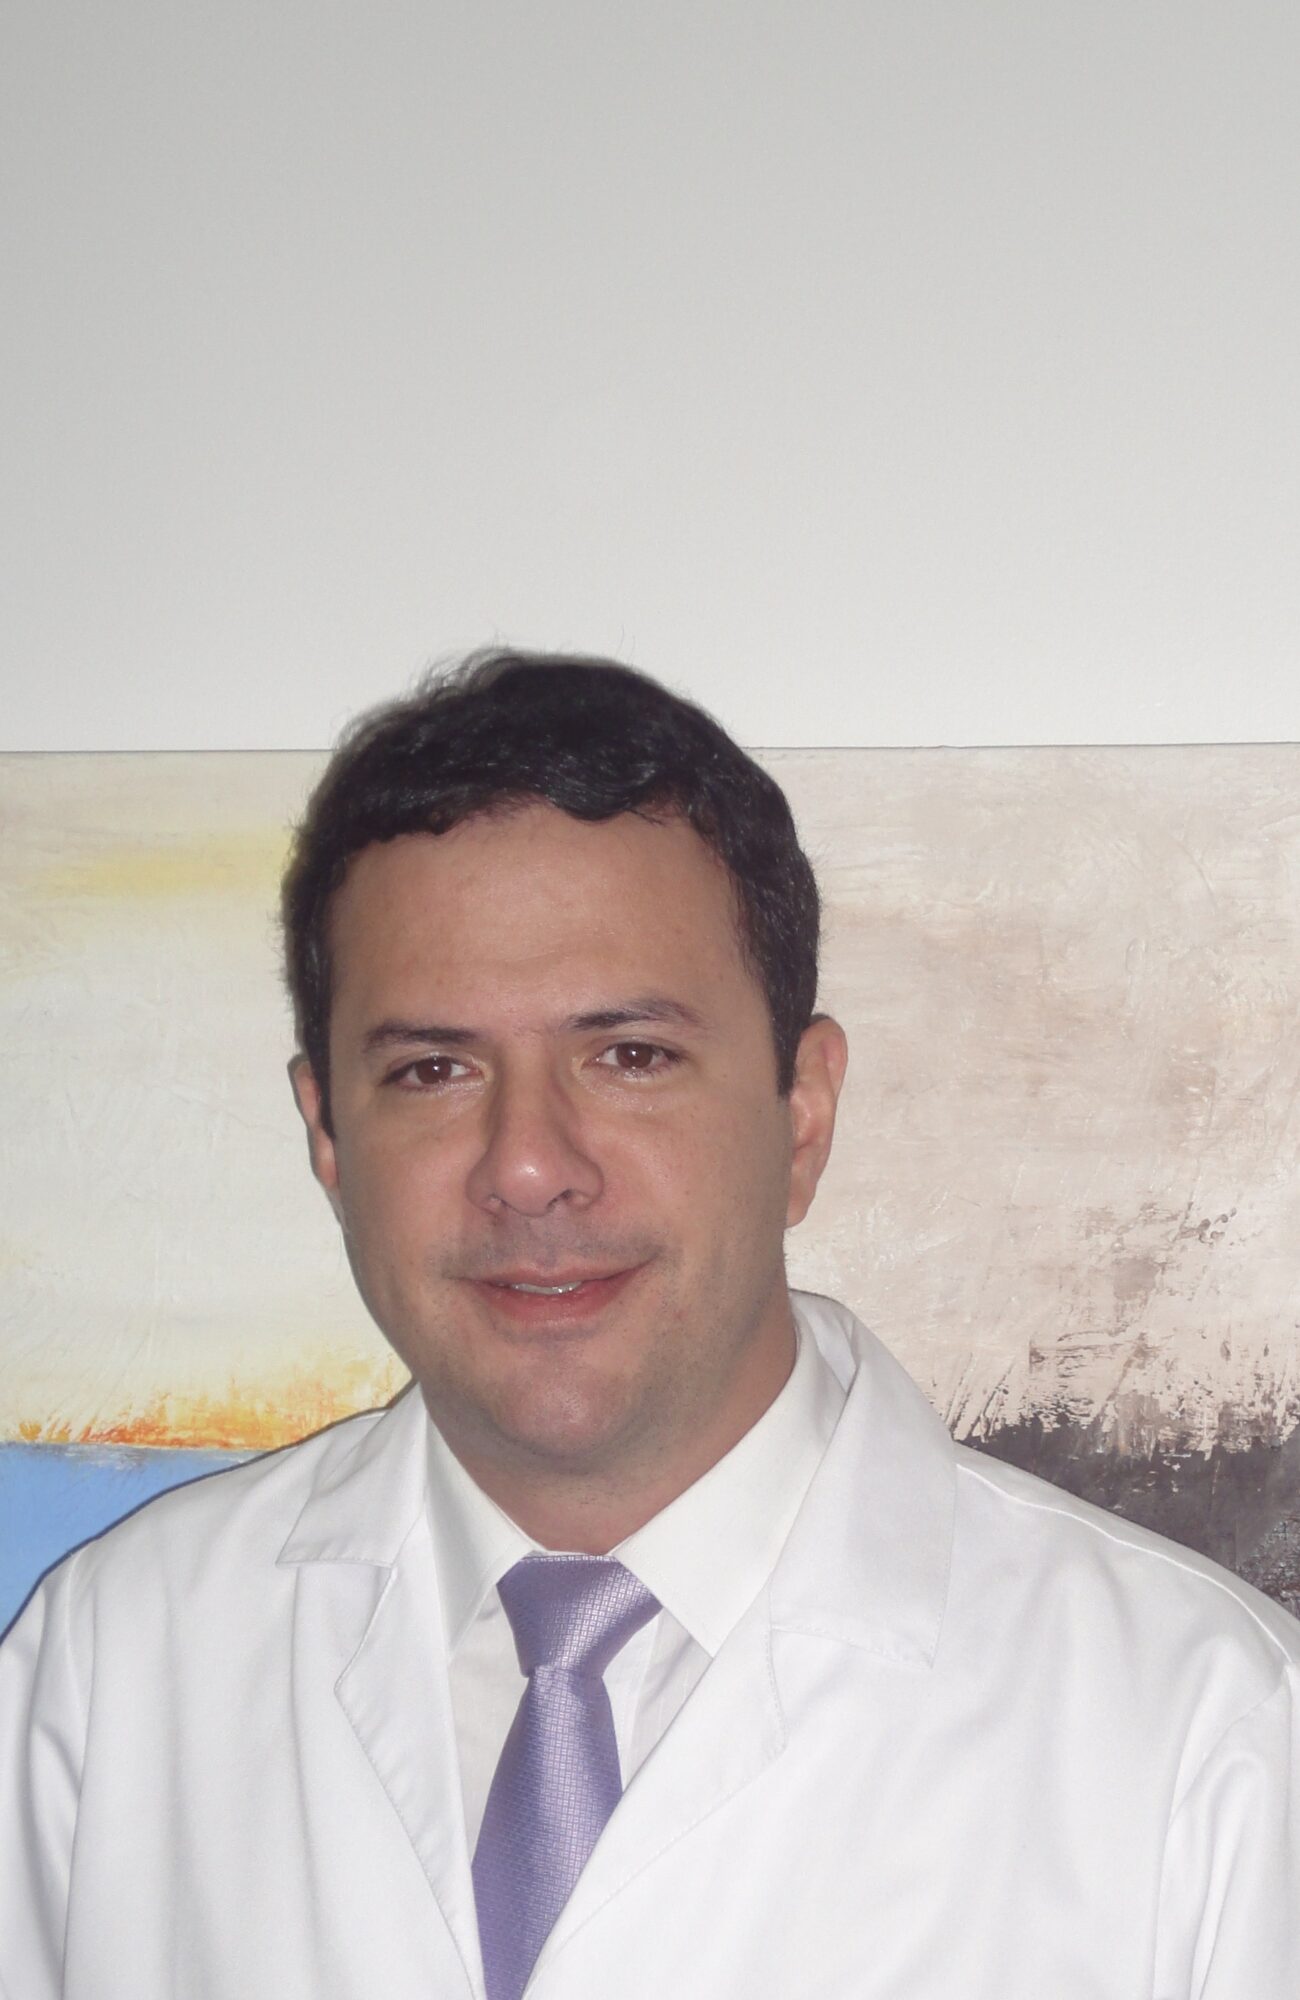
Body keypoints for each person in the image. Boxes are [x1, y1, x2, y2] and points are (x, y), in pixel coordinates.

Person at [2, 650, 1297, 1999]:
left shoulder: (1207, 1741)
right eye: (433, 1070)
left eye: (629, 1056)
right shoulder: (110, 1677)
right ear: (328, 1137)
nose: (527, 1166)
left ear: (803, 1114)